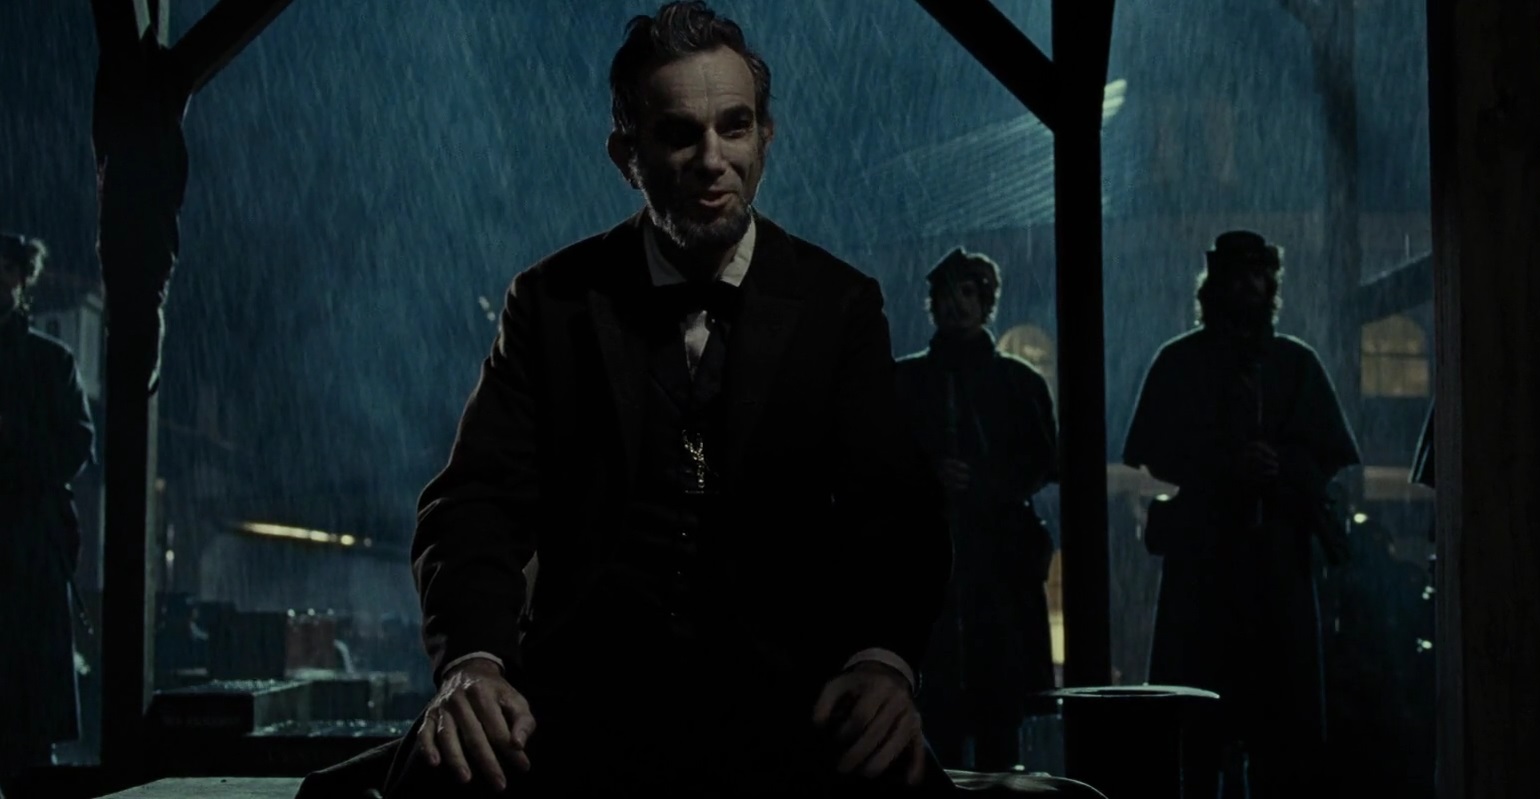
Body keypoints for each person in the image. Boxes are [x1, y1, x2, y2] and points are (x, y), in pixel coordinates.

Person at [381, 3, 952, 797]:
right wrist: (473, 663)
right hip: (580, 702)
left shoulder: (839, 305)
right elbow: (474, 503)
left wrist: (882, 662)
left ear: (766, 138)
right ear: (627, 155)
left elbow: (893, 509)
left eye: (734, 127)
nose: (713, 159)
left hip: (787, 701)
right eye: (680, 134)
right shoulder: (551, 302)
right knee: (440, 774)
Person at [1121, 231, 1358, 799]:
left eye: (1257, 275)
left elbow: (1327, 456)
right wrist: (1227, 463)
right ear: (1215, 286)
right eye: (1237, 276)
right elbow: (1157, 451)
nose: (1248, 286)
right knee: (1196, 734)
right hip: (1205, 561)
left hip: (1275, 561)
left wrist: (1281, 466)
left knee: (1281, 735)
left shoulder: (1294, 364)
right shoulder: (1182, 363)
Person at [893, 249, 1058, 772]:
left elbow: (1043, 461)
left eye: (967, 293)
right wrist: (929, 478)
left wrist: (985, 483)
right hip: (927, 561)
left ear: (986, 303)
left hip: (997, 562)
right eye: (947, 294)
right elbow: (879, 459)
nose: (956, 305)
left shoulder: (1018, 384)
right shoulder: (905, 382)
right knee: (934, 714)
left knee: (997, 718)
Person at [0, 232, 95, 796]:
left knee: (29, 712)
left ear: (21, 278)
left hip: (29, 543)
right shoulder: (48, 361)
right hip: (28, 533)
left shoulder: (49, 360)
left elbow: (76, 442)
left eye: (4, 268)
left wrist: (20, 457)